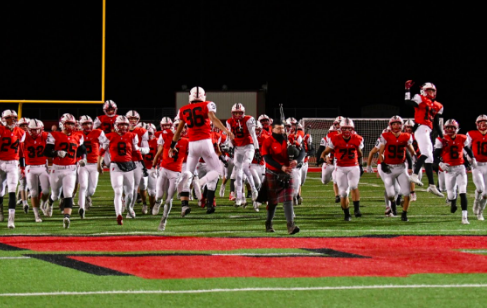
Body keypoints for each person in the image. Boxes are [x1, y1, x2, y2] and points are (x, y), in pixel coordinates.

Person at [169, 86, 234, 217]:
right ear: (204, 95)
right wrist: (226, 131)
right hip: (205, 141)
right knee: (219, 171)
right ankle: (200, 182)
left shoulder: (183, 109)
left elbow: (178, 131)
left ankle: (184, 206)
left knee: (188, 174)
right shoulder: (207, 105)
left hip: (192, 144)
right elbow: (213, 119)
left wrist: (172, 145)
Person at [43, 113, 86, 229]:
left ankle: (66, 217)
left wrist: (82, 160)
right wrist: (56, 153)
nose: (71, 126)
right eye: (69, 123)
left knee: (68, 194)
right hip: (56, 168)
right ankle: (50, 203)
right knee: (55, 194)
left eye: (72, 123)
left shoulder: (78, 136)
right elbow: (46, 152)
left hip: (71, 169)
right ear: (62, 124)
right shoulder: (54, 135)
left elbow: (83, 150)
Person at [258, 121, 301, 234]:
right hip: (273, 173)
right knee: (273, 202)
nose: (281, 131)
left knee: (288, 200)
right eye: (278, 129)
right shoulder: (267, 141)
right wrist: (281, 167)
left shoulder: (289, 140)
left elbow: (303, 152)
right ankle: (269, 223)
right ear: (272, 129)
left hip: (287, 173)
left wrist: (297, 160)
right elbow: (267, 159)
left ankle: (290, 225)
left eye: (282, 129)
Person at [404, 80, 444, 197]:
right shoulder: (420, 98)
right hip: (421, 128)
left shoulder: (437, 105)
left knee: (429, 158)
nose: (431, 92)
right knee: (426, 153)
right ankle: (415, 175)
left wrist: (442, 137)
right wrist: (407, 90)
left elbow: (436, 123)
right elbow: (407, 103)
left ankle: (432, 186)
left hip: (428, 130)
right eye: (429, 90)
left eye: (432, 90)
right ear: (423, 91)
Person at [98, 115, 140, 225]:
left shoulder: (132, 135)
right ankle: (118, 214)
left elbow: (136, 152)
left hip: (129, 165)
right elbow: (102, 151)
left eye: (125, 125)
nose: (123, 127)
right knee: (118, 191)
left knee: (130, 194)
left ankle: (129, 208)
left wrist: (141, 165)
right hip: (115, 166)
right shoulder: (109, 136)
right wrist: (99, 163)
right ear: (116, 125)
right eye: (121, 125)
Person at [321, 118, 364, 220]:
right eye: (344, 128)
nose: (347, 131)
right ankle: (346, 213)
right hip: (340, 167)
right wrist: (325, 157)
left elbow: (360, 153)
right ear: (340, 128)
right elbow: (325, 152)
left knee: (354, 186)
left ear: (352, 129)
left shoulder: (357, 138)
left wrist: (361, 165)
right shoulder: (335, 138)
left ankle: (357, 209)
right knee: (343, 193)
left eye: (349, 129)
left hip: (353, 166)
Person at [434, 119, 473, 224]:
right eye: (448, 127)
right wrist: (439, 163)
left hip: (460, 168)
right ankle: (452, 201)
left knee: (463, 191)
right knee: (451, 195)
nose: (450, 129)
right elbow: (435, 155)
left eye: (452, 127)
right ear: (445, 129)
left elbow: (468, 151)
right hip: (449, 169)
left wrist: (471, 159)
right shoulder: (441, 139)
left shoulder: (462, 138)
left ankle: (464, 217)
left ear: (456, 129)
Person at [378, 116, 416, 222]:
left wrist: (417, 158)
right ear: (390, 125)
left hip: (401, 168)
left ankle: (404, 214)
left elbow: (411, 151)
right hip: (389, 168)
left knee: (407, 193)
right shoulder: (385, 135)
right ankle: (393, 204)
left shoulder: (406, 136)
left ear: (401, 125)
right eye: (394, 124)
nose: (396, 126)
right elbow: (381, 152)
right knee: (390, 194)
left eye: (398, 124)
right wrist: (382, 163)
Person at [226, 103, 260, 207]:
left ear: (243, 113)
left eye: (239, 113)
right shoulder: (229, 121)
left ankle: (254, 190)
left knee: (245, 167)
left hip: (248, 146)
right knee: (238, 175)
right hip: (237, 148)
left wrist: (257, 148)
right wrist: (230, 147)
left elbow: (253, 134)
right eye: (235, 113)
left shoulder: (248, 119)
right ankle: (239, 198)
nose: (237, 115)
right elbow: (230, 136)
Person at [77, 115, 107, 217]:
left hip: (94, 163)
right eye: (85, 124)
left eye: (89, 123)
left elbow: (104, 147)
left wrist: (100, 163)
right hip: (82, 163)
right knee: (83, 186)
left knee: (91, 190)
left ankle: (86, 197)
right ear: (81, 125)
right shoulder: (77, 134)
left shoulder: (98, 132)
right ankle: (81, 207)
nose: (87, 126)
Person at [0, 110, 25, 228]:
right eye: (9, 118)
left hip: (13, 163)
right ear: (3, 119)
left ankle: (11, 220)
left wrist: (23, 167)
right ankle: (0, 210)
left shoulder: (20, 132)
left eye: (14, 118)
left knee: (11, 191)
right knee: (0, 191)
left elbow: (21, 152)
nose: (12, 120)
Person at [23, 119, 50, 222]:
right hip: (30, 167)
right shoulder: (24, 137)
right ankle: (36, 214)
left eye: (36, 130)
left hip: (42, 167)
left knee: (46, 191)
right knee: (34, 192)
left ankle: (43, 204)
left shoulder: (45, 136)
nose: (34, 132)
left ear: (41, 129)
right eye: (32, 130)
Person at [466, 115, 487, 220]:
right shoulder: (471, 134)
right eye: (481, 122)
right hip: (477, 165)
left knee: (486, 193)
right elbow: (466, 148)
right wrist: (469, 157)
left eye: (485, 121)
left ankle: (480, 212)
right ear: (477, 124)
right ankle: (476, 203)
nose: (483, 123)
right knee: (480, 188)